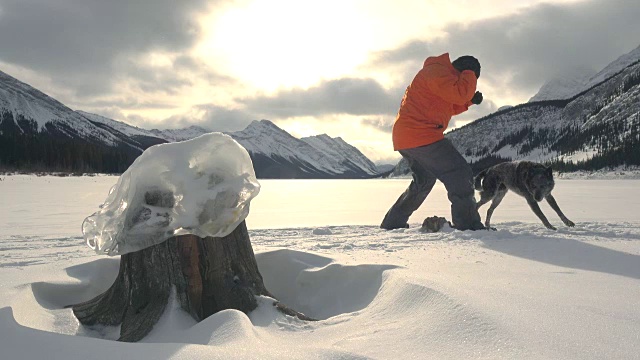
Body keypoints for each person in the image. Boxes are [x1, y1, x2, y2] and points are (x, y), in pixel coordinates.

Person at [380, 53, 486, 231]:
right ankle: (468, 225)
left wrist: (469, 102)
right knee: (459, 172)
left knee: (424, 181)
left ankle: (392, 224)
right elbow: (459, 94)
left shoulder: (437, 74)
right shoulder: (438, 72)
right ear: (463, 71)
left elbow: (447, 106)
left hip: (407, 136)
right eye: (469, 76)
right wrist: (470, 74)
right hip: (421, 134)